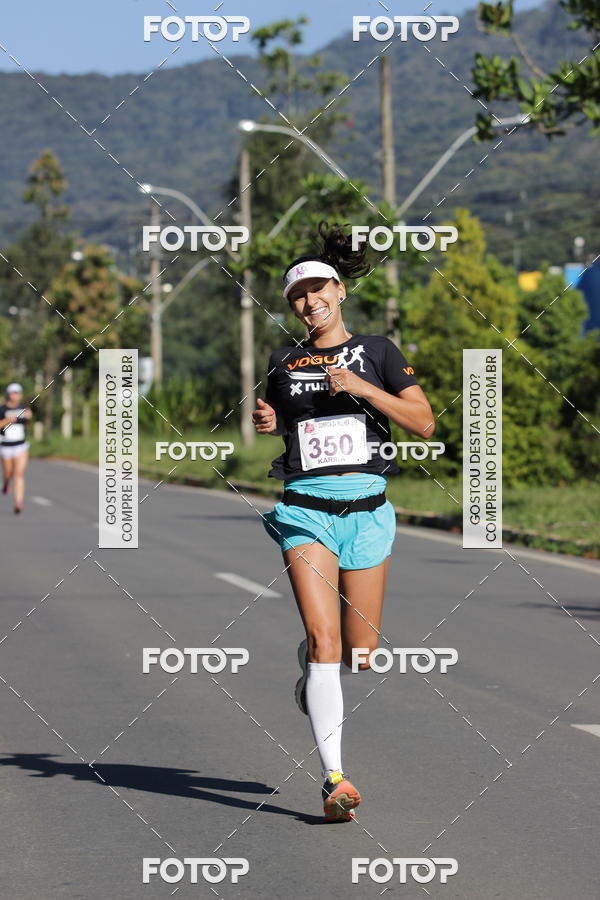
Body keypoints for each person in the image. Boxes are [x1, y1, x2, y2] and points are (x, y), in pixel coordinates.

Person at [253, 222, 435, 822]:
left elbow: (423, 423)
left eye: (317, 289)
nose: (309, 302)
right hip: (305, 508)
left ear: (339, 292)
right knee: (329, 638)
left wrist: (361, 387)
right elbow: (284, 421)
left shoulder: (379, 352)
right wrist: (265, 419)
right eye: (297, 296)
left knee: (361, 652)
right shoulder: (283, 359)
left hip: (367, 511)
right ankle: (333, 778)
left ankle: (311, 670)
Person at [0, 383, 33, 514]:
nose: (15, 395)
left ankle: (18, 502)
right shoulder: (2, 409)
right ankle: (6, 482)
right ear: (9, 394)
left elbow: (26, 425)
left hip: (20, 446)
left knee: (19, 474)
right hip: (6, 446)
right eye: (13, 392)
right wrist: (7, 420)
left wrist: (29, 417)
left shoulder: (23, 408)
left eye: (17, 392)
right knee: (8, 474)